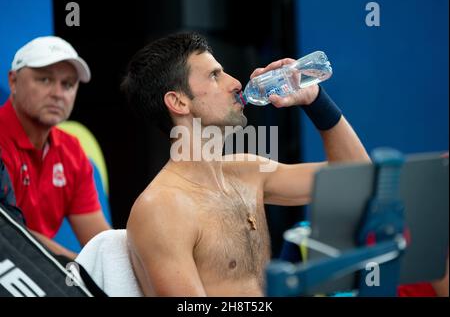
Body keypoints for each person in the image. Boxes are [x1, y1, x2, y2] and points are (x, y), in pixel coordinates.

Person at [121, 32, 370, 296]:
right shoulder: (162, 207)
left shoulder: (247, 172)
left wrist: (315, 100)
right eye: (215, 76)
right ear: (179, 102)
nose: (237, 83)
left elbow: (357, 178)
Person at [0, 36, 110, 260]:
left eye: (68, 84)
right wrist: (77, 268)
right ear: (13, 81)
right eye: (45, 80)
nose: (58, 94)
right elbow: (8, 232)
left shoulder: (71, 149)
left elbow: (102, 244)